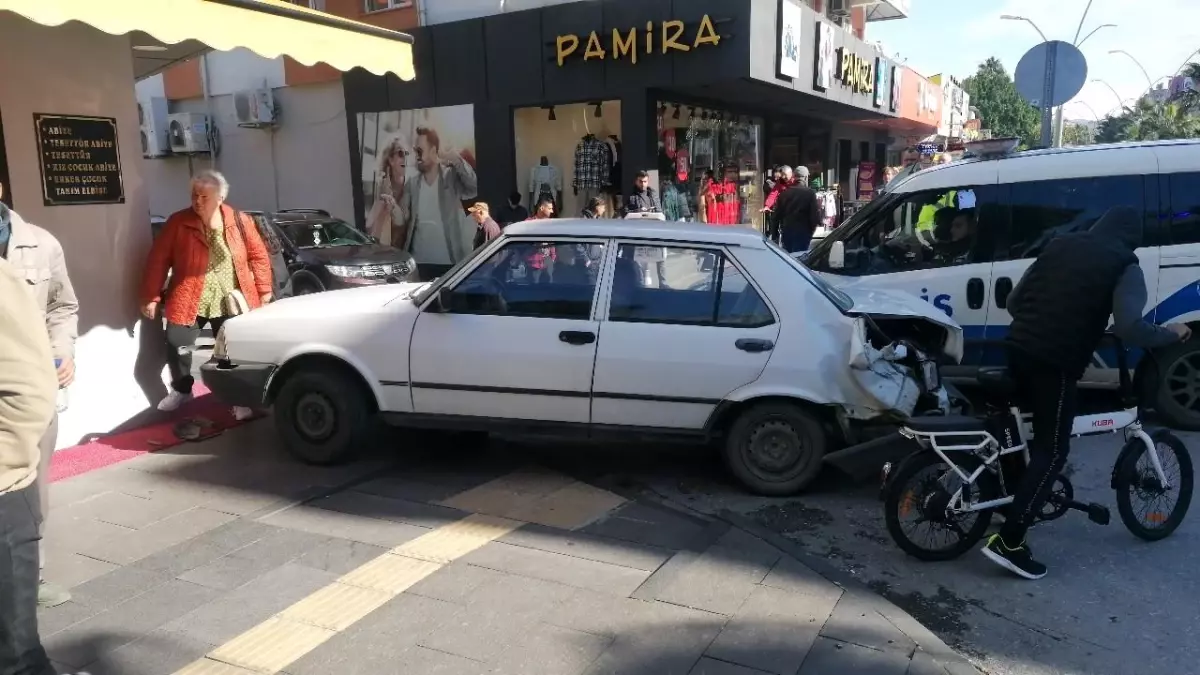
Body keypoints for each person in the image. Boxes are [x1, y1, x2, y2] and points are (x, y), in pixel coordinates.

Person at [985, 206, 1191, 580]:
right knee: (1053, 449)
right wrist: (1171, 334)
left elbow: (1015, 303)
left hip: (1016, 348)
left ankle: (1010, 502)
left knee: (1021, 432)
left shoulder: (1058, 245)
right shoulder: (1124, 265)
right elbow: (1131, 328)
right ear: (1134, 239)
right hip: (1056, 362)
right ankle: (1009, 542)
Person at [0, 256, 89, 675]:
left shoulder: (34, 247)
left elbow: (27, 390)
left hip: (3, 484)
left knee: (15, 654)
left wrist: (60, 352)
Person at [0, 180, 79, 608]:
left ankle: (34, 573)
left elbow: (62, 307)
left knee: (33, 488)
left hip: (31, 393)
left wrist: (62, 351)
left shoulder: (40, 244)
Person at [140, 170, 273, 421]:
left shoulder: (240, 221)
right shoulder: (178, 222)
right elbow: (158, 260)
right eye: (194, 195)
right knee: (177, 344)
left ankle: (237, 399)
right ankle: (182, 388)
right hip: (190, 296)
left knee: (230, 354)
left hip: (230, 299)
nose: (198, 201)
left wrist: (264, 290)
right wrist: (150, 296)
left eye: (204, 196)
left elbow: (259, 256)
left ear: (220, 197)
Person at [399, 126, 479, 269]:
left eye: (420, 151)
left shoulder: (450, 177)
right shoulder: (411, 184)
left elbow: (473, 187)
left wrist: (455, 158)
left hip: (449, 263)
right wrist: (392, 206)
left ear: (434, 150)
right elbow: (402, 218)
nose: (416, 155)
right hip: (418, 264)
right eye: (415, 151)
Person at [366, 136, 411, 247]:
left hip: (404, 245)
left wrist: (392, 204)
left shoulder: (409, 185)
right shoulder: (383, 184)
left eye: (406, 154)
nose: (404, 158)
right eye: (400, 154)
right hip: (385, 241)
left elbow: (402, 221)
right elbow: (374, 220)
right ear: (390, 160)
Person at [773, 166, 822, 253]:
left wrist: (775, 237)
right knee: (800, 259)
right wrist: (811, 231)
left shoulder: (784, 194)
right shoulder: (810, 193)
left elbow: (776, 217)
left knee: (789, 259)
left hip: (787, 233)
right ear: (806, 177)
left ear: (794, 177)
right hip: (803, 233)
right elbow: (814, 217)